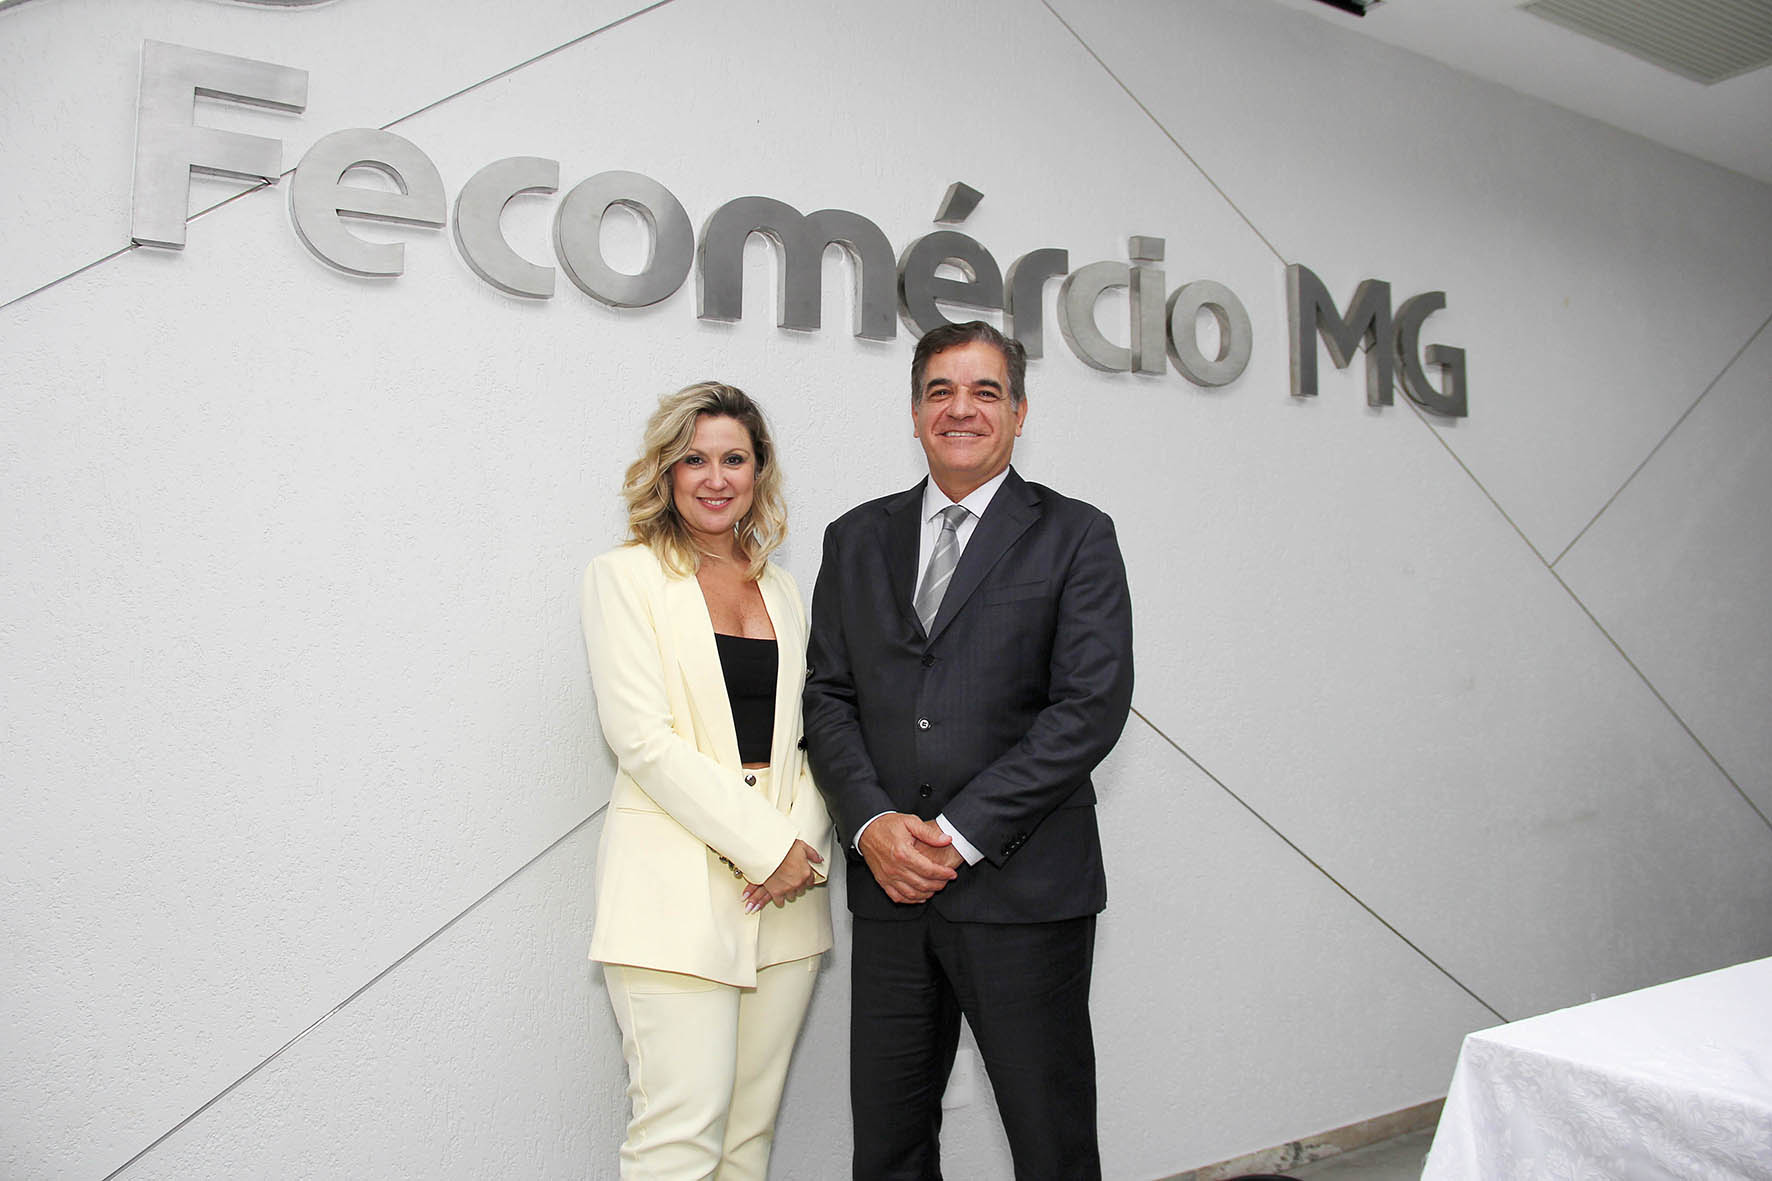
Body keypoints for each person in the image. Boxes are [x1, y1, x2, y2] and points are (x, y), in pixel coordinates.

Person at [804, 321, 1134, 1180]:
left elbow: (1088, 707)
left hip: (1024, 892)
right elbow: (828, 696)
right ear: (915, 412)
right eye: (940, 391)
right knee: (889, 1147)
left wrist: (955, 833)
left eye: (986, 391)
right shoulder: (854, 537)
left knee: (1051, 1146)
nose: (961, 409)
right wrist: (872, 823)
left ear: (1019, 412)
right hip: (890, 891)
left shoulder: (1077, 534)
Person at [581, 381, 833, 1180]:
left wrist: (799, 849)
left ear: (760, 471)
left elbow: (817, 732)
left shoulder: (783, 589)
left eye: (734, 459)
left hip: (788, 897)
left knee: (746, 1142)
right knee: (677, 1139)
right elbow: (642, 740)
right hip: (672, 892)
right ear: (665, 471)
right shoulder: (623, 577)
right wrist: (766, 846)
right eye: (694, 459)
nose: (715, 478)